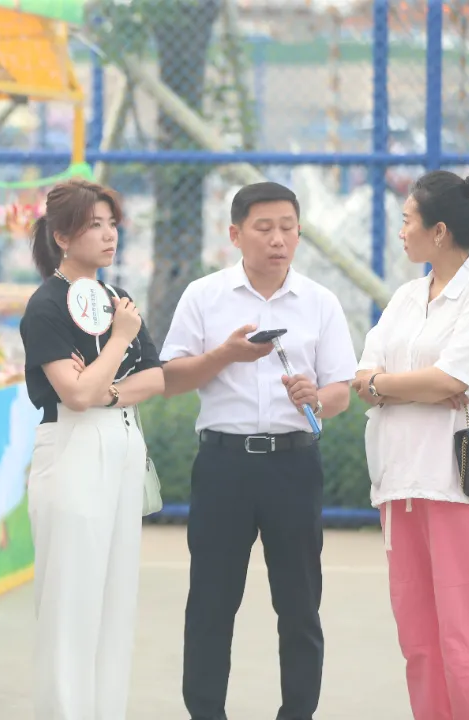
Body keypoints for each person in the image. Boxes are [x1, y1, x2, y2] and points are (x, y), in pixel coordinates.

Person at [160, 181, 358, 720]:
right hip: (223, 465)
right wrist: (225, 355)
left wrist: (316, 397)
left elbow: (342, 391)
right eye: (264, 228)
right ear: (235, 234)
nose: (278, 239)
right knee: (211, 602)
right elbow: (171, 378)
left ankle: (298, 712)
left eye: (288, 228)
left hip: (294, 464)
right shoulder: (204, 296)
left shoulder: (320, 302)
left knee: (299, 604)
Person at [350, 168, 469, 719]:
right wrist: (406, 386)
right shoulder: (405, 298)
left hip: (460, 485)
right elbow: (363, 377)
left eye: (408, 221)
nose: (401, 231)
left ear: (439, 231)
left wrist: (392, 386)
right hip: (401, 482)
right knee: (419, 642)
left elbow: (452, 380)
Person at [18, 178, 165, 720]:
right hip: (73, 446)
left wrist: (106, 386)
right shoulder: (46, 305)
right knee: (71, 601)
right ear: (61, 237)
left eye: (111, 224)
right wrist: (120, 342)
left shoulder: (115, 299)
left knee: (115, 599)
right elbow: (74, 397)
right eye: (94, 225)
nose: (109, 235)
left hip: (123, 439)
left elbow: (156, 380)